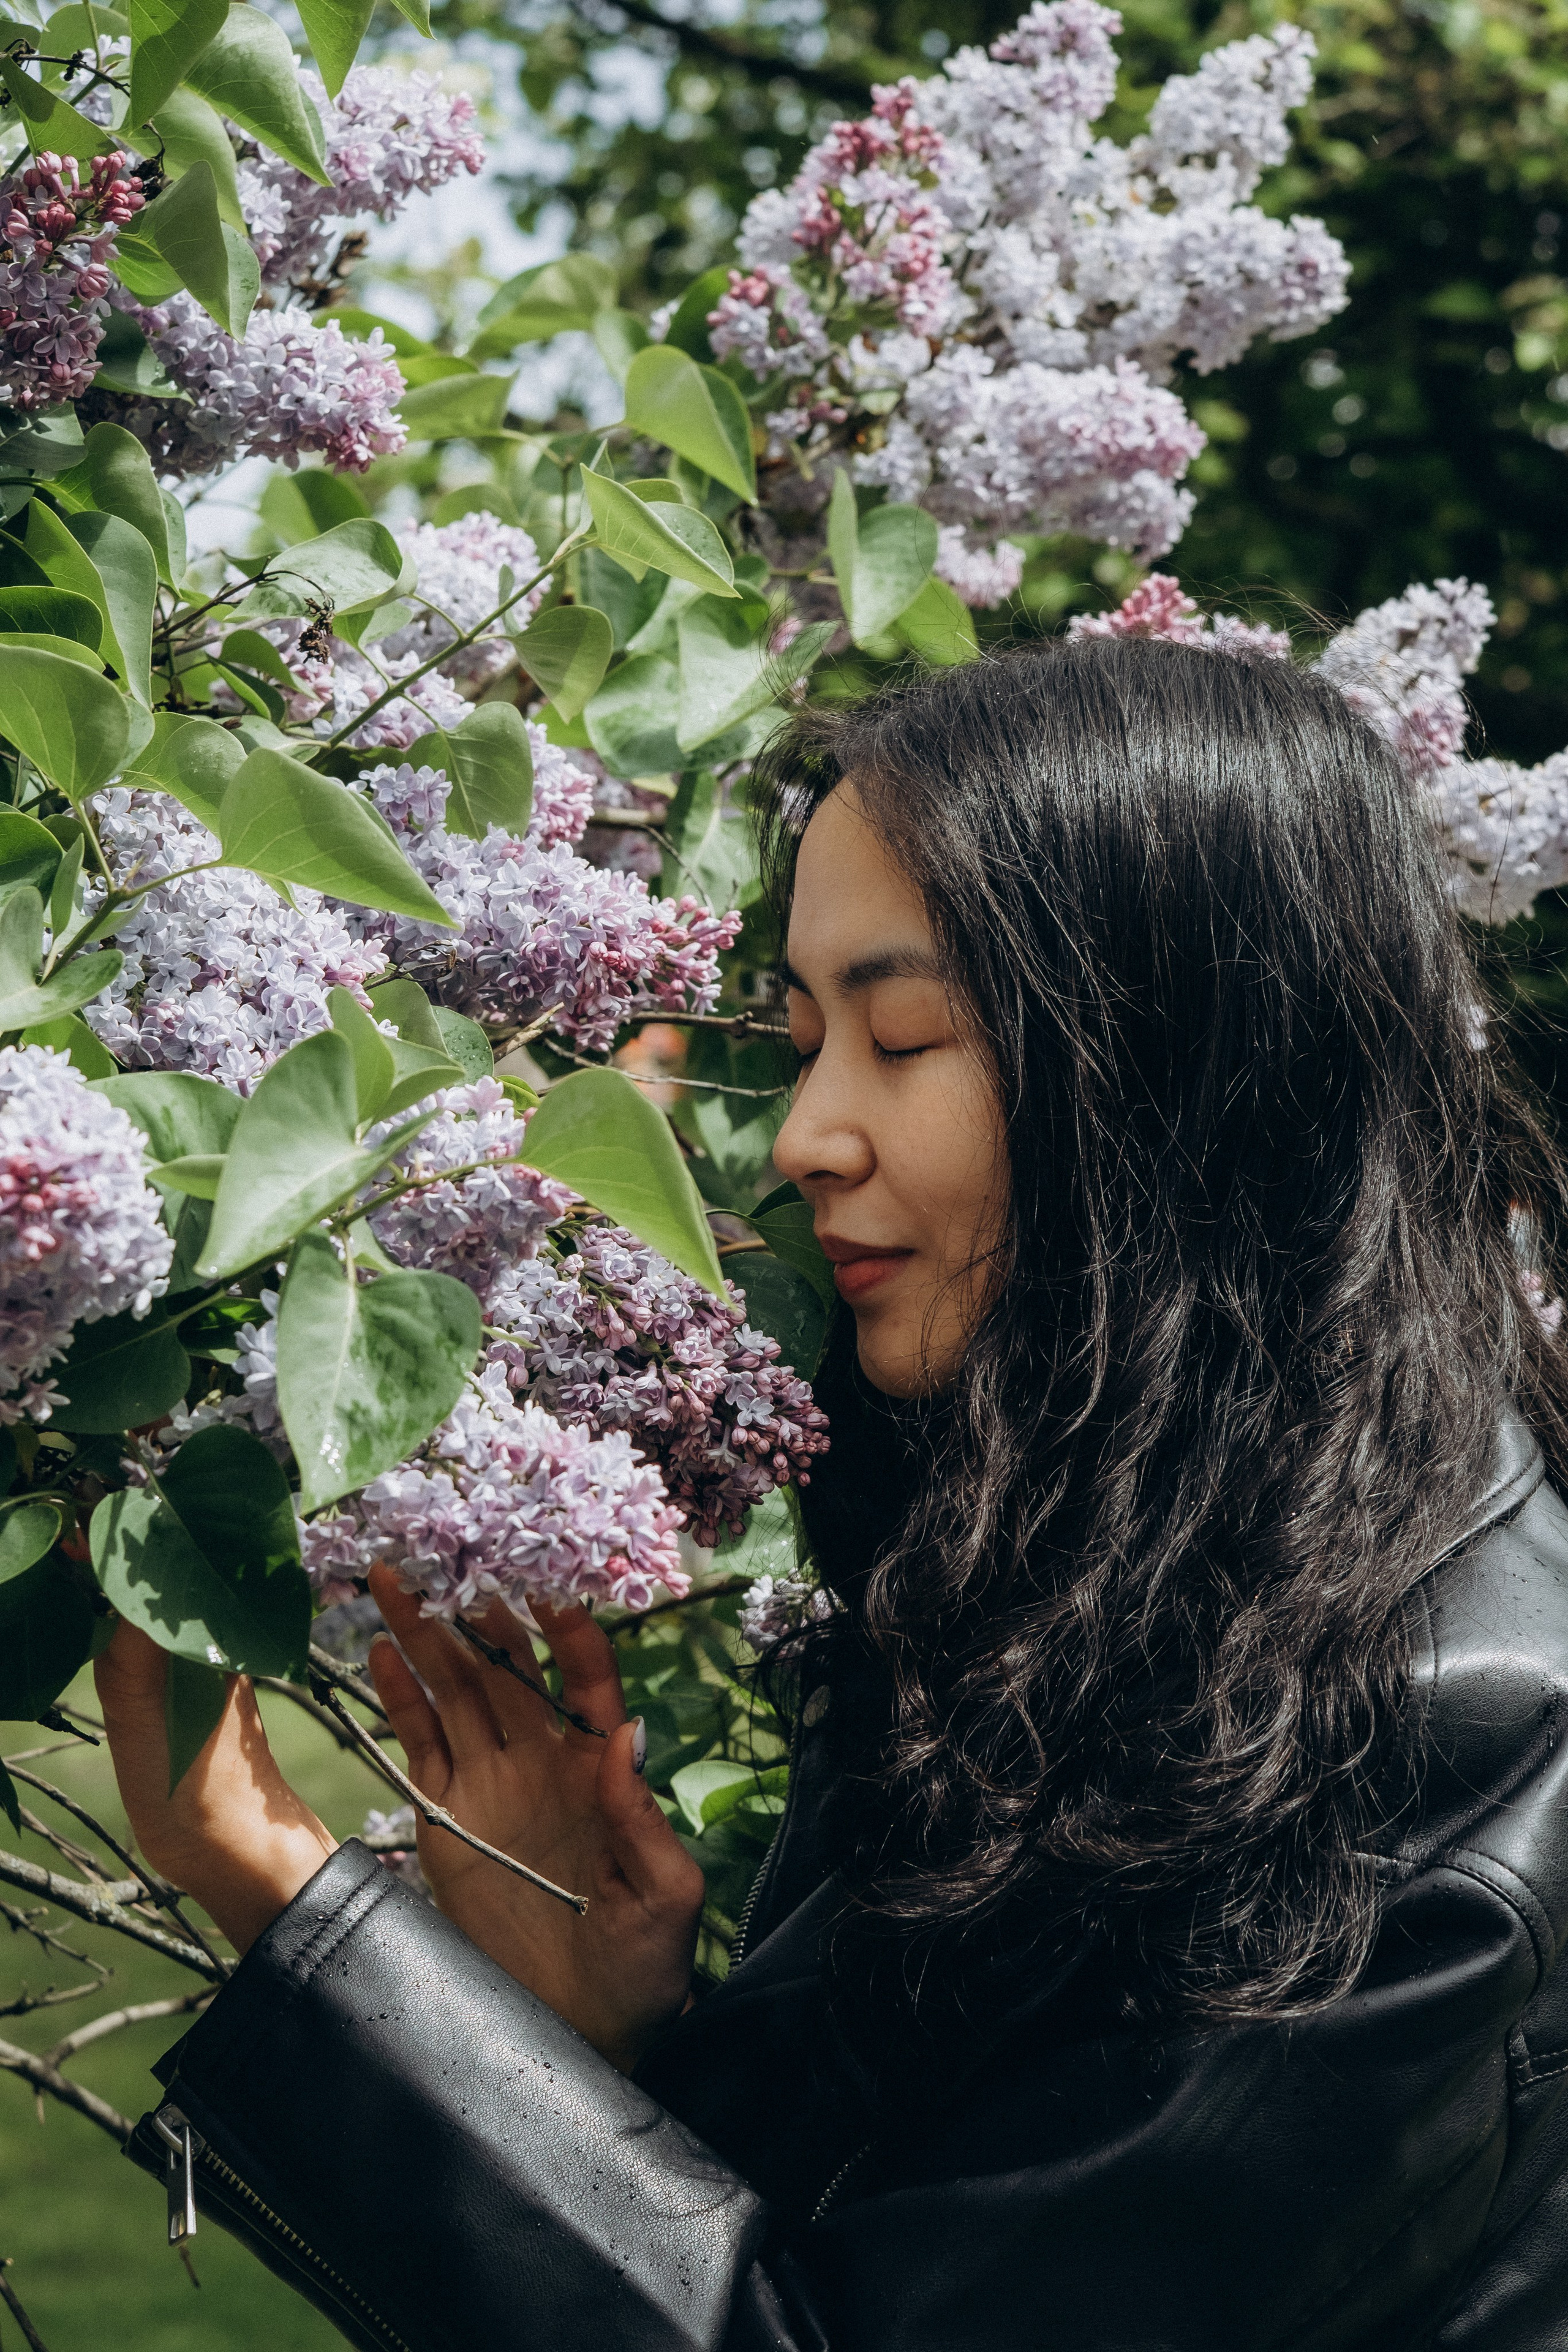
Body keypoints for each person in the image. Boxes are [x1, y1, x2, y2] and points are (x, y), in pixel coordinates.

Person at [96, 636, 1568, 2351]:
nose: (804, 1135)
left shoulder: (1453, 1758)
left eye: (907, 1035)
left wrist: (279, 1883)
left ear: (1188, 1074)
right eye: (805, 1042)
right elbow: (928, 2222)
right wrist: (612, 2044)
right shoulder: (1117, 1558)